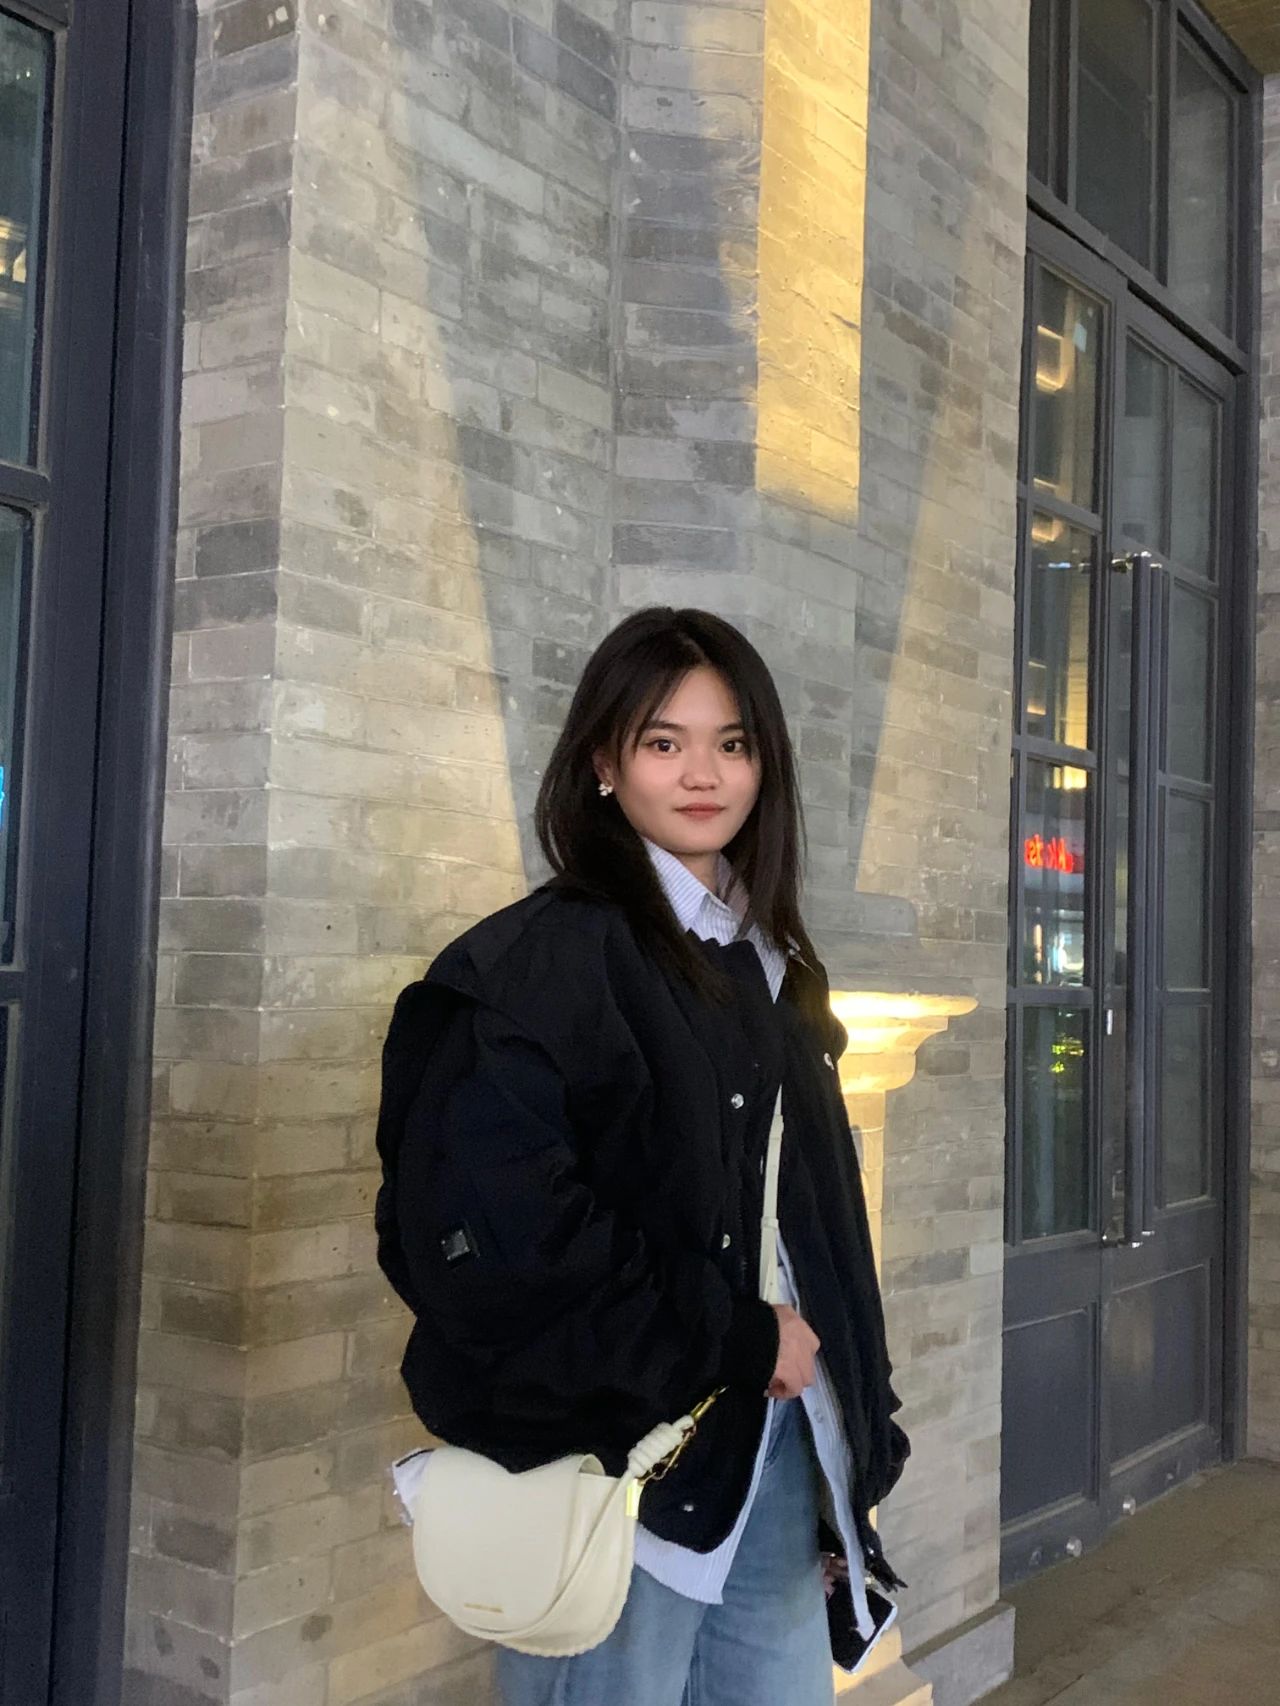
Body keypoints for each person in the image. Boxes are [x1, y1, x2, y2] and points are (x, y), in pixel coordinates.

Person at [375, 607, 909, 1706]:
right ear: (603, 764)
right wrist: (733, 1334)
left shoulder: (773, 964)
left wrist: (862, 1424)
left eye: (732, 742)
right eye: (664, 741)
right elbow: (493, 1244)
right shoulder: (532, 967)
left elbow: (815, 1221)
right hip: (616, 1468)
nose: (702, 773)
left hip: (777, 1448)